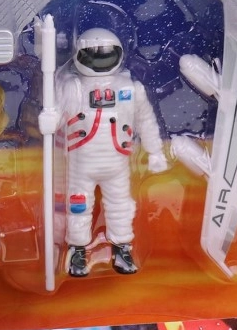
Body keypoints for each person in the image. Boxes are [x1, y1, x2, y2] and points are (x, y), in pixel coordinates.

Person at [52, 28, 167, 276]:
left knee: (120, 206)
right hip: (81, 165)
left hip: (117, 163)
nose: (99, 60)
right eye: (92, 56)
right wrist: (48, 119)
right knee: (78, 207)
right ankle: (78, 250)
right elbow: (57, 118)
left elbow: (146, 120)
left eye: (104, 55)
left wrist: (155, 151)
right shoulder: (73, 88)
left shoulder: (129, 89)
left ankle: (122, 248)